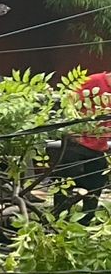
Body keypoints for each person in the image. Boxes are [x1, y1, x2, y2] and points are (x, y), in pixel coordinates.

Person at [54, 71, 111, 222]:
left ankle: (85, 221)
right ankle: (56, 219)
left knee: (96, 184)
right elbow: (68, 100)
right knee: (65, 183)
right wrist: (74, 128)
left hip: (98, 145)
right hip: (77, 142)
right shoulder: (93, 81)